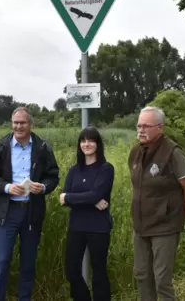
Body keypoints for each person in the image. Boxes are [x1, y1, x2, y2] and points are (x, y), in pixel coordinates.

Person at [0, 107, 60, 301]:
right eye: (15, 123)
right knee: (2, 260)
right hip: (7, 212)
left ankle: (25, 298)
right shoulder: (0, 147)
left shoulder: (42, 148)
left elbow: (53, 176)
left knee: (28, 262)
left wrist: (42, 187)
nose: (18, 126)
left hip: (32, 212)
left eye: (22, 123)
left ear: (30, 124)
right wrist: (7, 187)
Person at [128, 106, 185, 301]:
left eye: (147, 126)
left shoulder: (173, 153)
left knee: (161, 280)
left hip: (165, 227)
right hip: (141, 226)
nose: (141, 130)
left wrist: (180, 217)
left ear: (160, 128)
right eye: (139, 125)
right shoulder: (135, 152)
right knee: (142, 275)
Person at [59, 126, 115, 301]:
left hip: (98, 227)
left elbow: (90, 195)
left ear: (98, 144)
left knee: (98, 271)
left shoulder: (106, 168)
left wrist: (72, 197)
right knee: (71, 270)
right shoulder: (74, 170)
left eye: (91, 140)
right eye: (83, 140)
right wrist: (91, 200)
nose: (87, 144)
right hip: (77, 226)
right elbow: (63, 199)